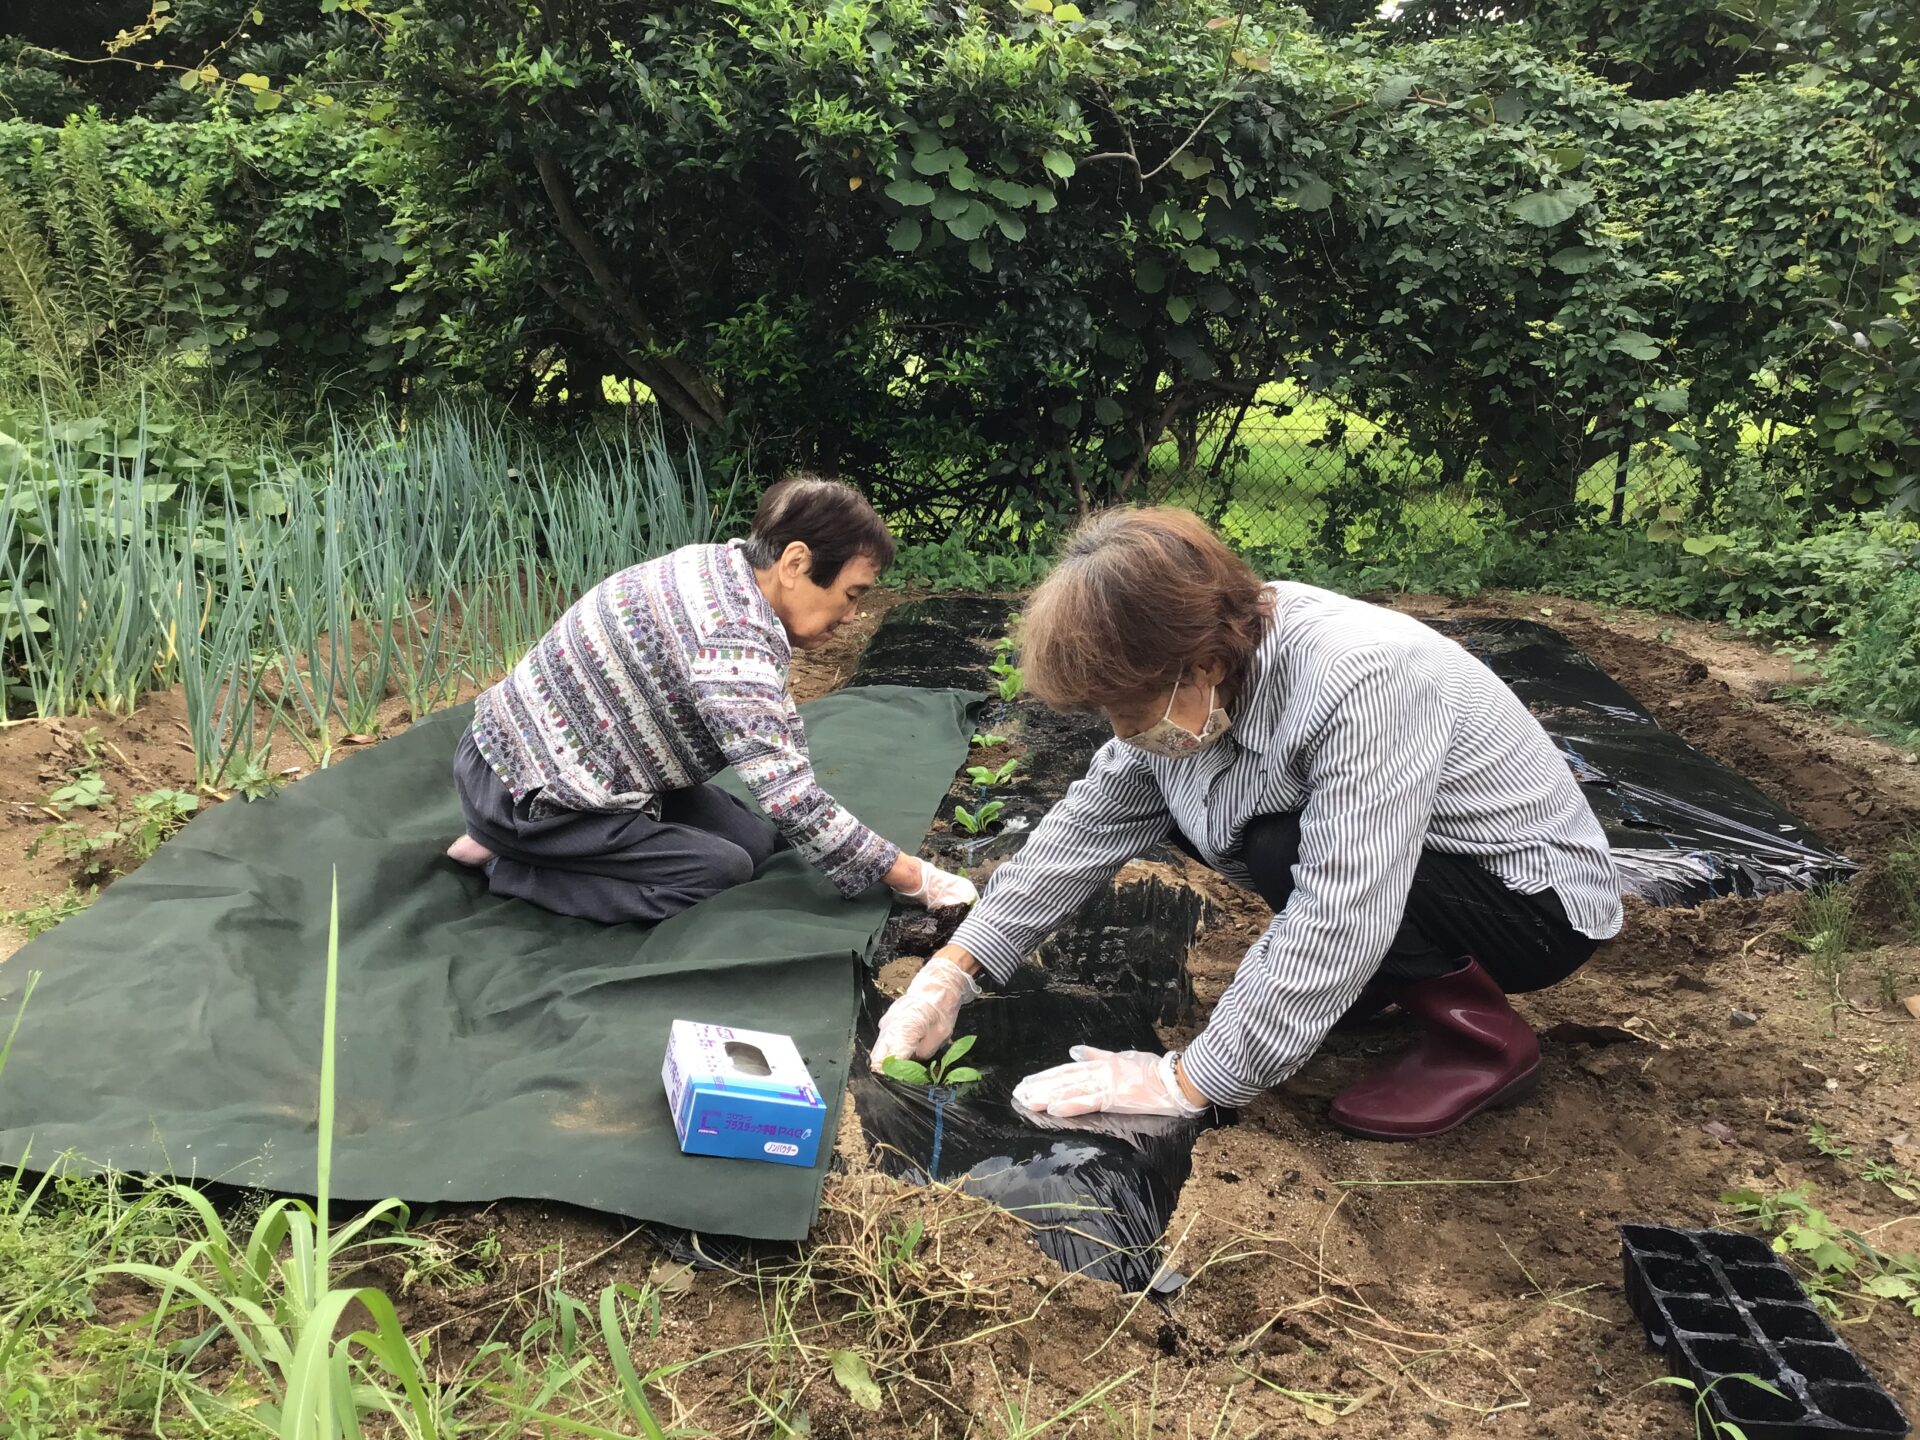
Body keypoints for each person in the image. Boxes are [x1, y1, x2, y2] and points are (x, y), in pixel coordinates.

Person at [870, 508, 1623, 1140]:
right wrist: (955, 969)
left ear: (1201, 662)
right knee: (1234, 823)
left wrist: (1190, 1080)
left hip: (1532, 909)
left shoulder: (1366, 680)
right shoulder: (1201, 681)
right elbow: (1083, 830)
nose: (1120, 728)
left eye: (1127, 705)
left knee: (1281, 846)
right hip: (1426, 878)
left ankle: (1482, 1044)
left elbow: (1344, 906)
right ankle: (1367, 989)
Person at [448, 475, 978, 924]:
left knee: (751, 840)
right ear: (796, 563)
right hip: (531, 791)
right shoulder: (731, 638)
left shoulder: (724, 567)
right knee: (717, 870)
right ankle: (514, 862)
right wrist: (914, 877)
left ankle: (525, 842)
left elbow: (770, 733)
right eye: (852, 594)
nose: (852, 617)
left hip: (571, 761)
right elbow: (791, 798)